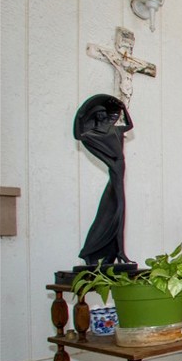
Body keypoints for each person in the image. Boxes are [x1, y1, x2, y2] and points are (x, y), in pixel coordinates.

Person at [74, 93, 134, 266]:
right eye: (99, 114)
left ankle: (115, 251)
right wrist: (80, 116)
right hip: (115, 167)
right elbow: (79, 135)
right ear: (95, 117)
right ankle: (116, 251)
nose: (103, 116)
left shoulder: (115, 130)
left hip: (120, 166)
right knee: (118, 209)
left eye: (104, 113)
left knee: (116, 208)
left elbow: (130, 125)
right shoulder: (95, 133)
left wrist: (123, 108)